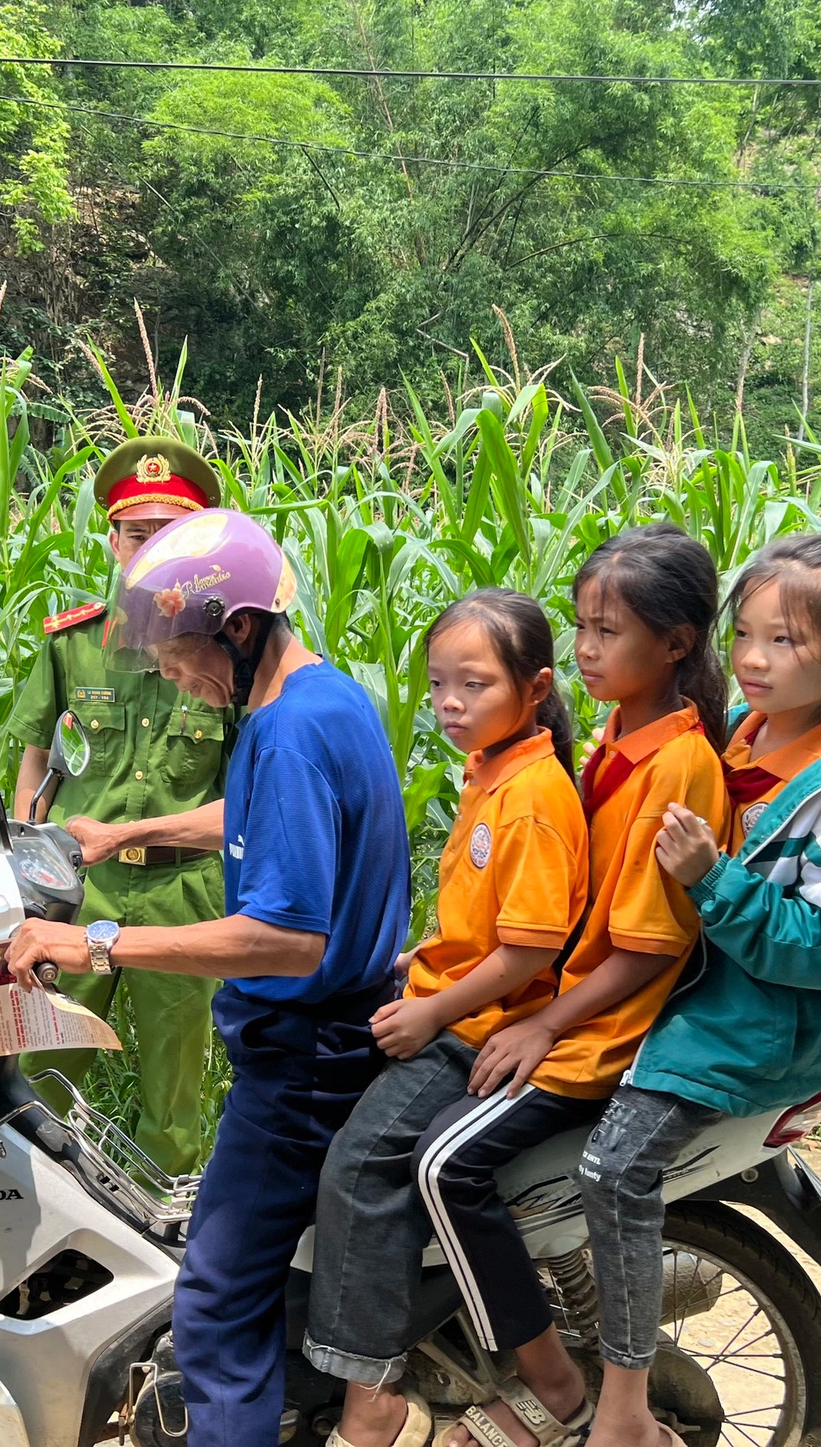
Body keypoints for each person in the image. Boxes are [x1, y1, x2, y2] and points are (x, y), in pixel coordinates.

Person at [6, 507, 412, 1447]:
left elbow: (284, 938)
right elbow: (258, 817)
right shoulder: (323, 701)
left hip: (304, 1058)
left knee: (216, 1306)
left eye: (177, 652)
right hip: (332, 1034)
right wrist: (129, 832)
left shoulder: (287, 734)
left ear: (236, 627)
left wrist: (98, 943)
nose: (171, 675)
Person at [571, 533, 821, 1447]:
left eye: (786, 643)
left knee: (614, 1171)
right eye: (747, 637)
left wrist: (711, 879)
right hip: (703, 991)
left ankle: (620, 1406)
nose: (756, 661)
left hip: (759, 1026)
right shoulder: (749, 734)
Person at [405, 527, 732, 1447]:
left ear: (674, 645)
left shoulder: (681, 766)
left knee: (443, 1167)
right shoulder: (617, 737)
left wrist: (544, 1024)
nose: (586, 648)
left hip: (603, 1027)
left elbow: (646, 947)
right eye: (583, 627)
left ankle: (545, 1381)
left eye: (609, 631)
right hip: (563, 1005)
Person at [302, 589, 590, 1447]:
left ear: (535, 689)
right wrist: (417, 962)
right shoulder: (493, 773)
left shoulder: (532, 795)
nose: (451, 704)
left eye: (475, 684)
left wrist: (430, 1014)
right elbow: (483, 922)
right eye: (437, 686)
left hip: (481, 1024)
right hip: (456, 1001)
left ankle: (370, 1397)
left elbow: (527, 952)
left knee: (360, 1169)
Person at [9, 437, 235, 1174]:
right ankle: (40, 1220)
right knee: (43, 1066)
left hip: (185, 891)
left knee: (174, 1086)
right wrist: (26, 875)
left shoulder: (226, 651)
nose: (152, 548)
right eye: (139, 533)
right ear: (111, 540)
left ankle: (165, 1239)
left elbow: (249, 789)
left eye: (172, 533)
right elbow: (35, 753)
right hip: (82, 889)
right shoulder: (73, 644)